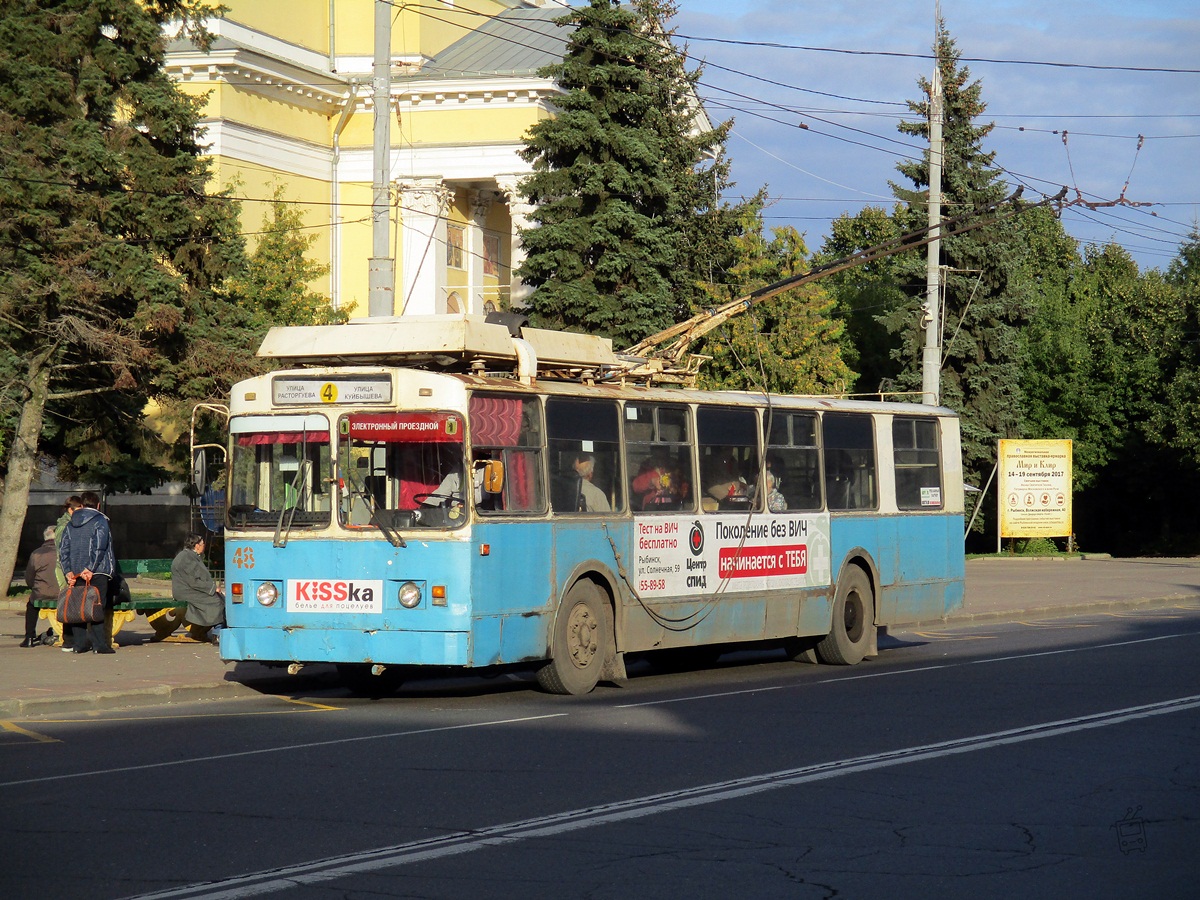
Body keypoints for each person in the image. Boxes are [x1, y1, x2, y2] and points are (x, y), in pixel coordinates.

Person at [57, 491, 116, 654]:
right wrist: (90, 568)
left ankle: (79, 644)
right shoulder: (100, 520)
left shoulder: (70, 523)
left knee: (78, 607)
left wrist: (68, 571)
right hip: (96, 571)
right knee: (96, 606)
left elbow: (64, 549)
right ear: (98, 505)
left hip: (76, 571)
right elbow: (99, 546)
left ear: (82, 505)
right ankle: (99, 645)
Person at [172, 533, 225, 640]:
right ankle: (217, 634)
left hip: (191, 589)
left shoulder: (191, 556)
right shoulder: (185, 558)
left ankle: (219, 630)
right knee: (217, 601)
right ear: (196, 545)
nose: (204, 545)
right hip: (187, 591)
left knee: (221, 599)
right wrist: (213, 588)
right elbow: (194, 581)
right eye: (202, 543)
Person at [21, 526, 58, 647]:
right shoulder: (65, 551)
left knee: (31, 606)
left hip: (40, 593)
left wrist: (35, 588)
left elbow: (29, 578)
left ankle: (29, 637)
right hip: (62, 594)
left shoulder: (36, 553)